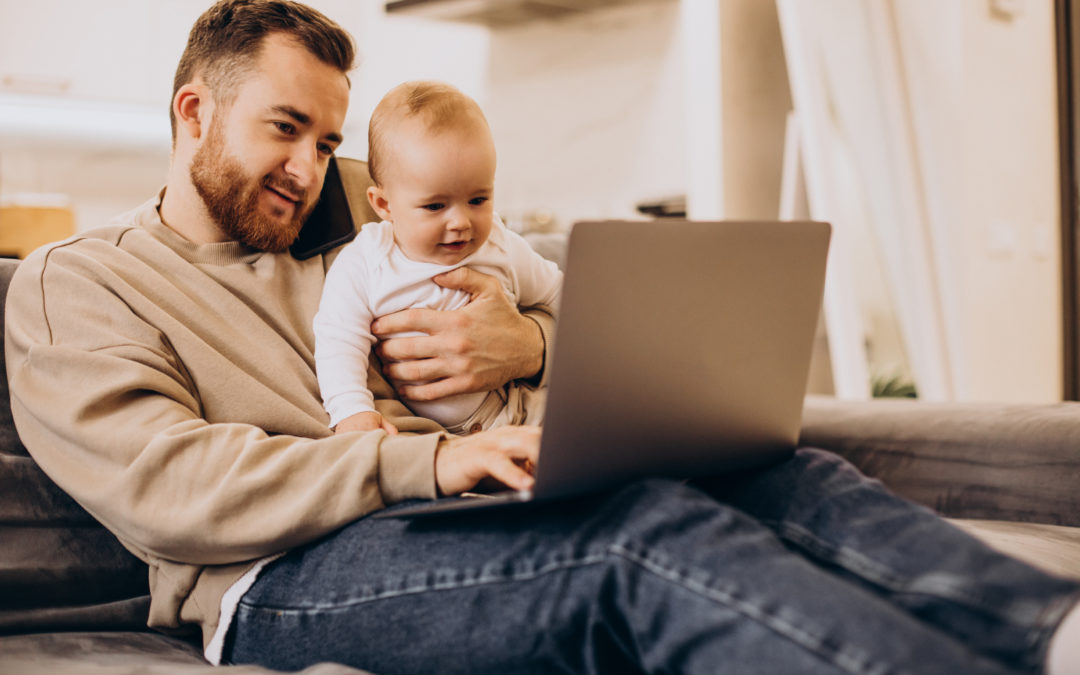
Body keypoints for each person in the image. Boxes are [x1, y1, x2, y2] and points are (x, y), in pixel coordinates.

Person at [4, 1, 1079, 673]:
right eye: (283, 130)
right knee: (634, 541)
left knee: (781, 470)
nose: (310, 166)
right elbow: (168, 487)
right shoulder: (79, 283)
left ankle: (1052, 632)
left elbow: (562, 306)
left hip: (440, 511)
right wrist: (426, 457)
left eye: (329, 137)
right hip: (270, 579)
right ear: (193, 114)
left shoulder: (358, 229)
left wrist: (528, 346)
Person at [313, 80, 562, 437]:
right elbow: (338, 339)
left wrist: (541, 342)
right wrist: (351, 410)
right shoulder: (366, 263)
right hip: (433, 438)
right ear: (384, 205)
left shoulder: (500, 244)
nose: (461, 222)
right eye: (435, 206)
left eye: (478, 200)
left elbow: (562, 295)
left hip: (525, 408)